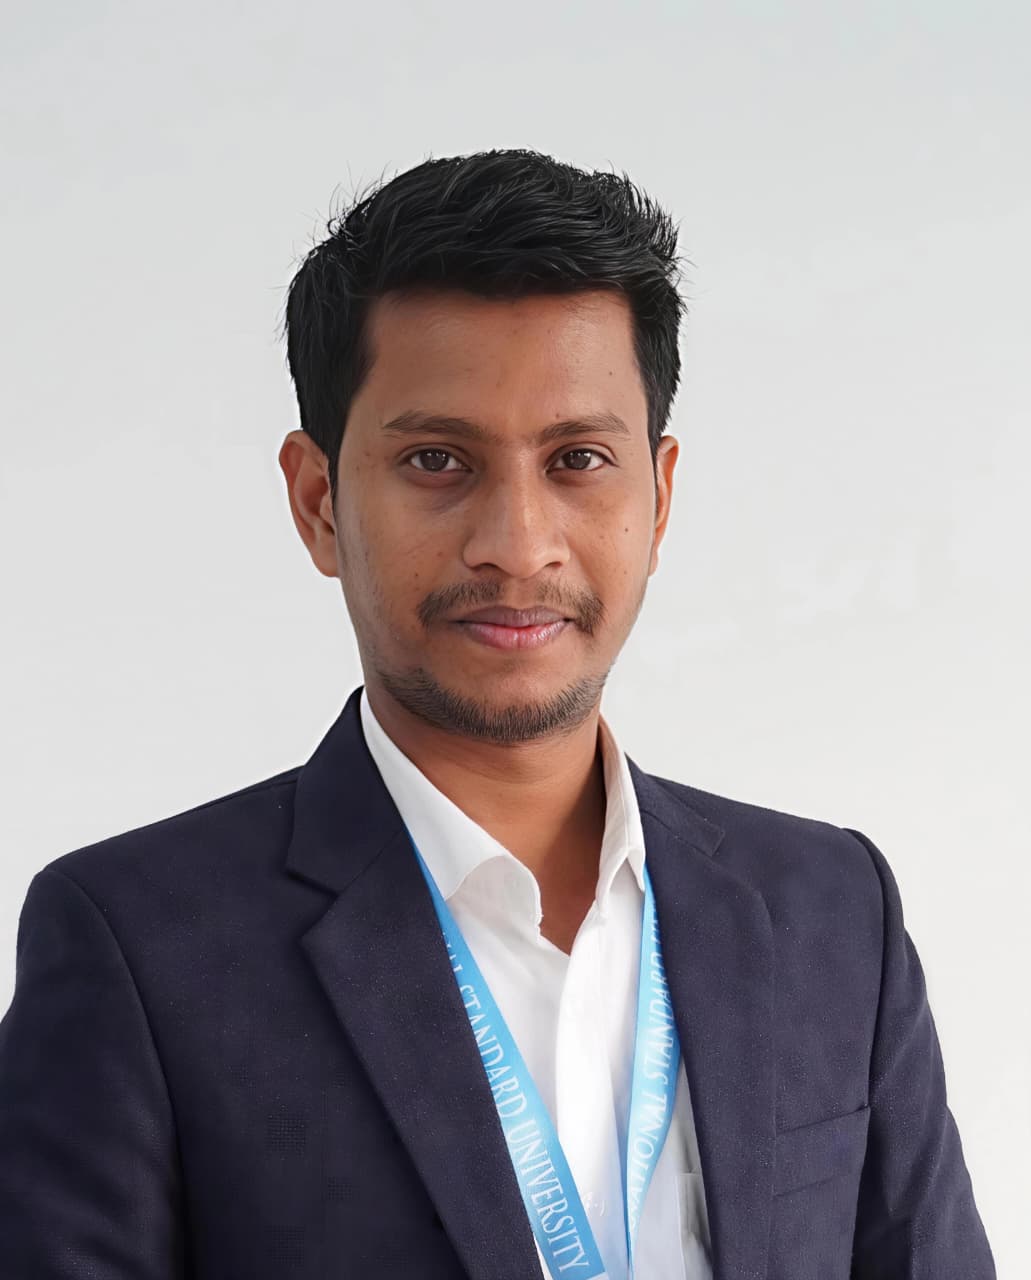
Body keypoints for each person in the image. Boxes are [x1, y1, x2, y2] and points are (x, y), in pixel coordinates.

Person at [0, 148, 995, 1280]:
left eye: (578, 459)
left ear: (659, 496)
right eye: (437, 460)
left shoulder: (829, 910)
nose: (517, 545)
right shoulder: (140, 947)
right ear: (318, 503)